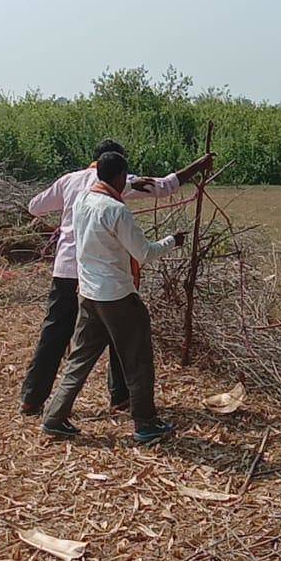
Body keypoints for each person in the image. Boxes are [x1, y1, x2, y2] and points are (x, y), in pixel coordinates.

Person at [19, 140, 213, 415]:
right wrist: (200, 166)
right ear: (117, 167)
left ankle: (32, 398)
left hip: (66, 270)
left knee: (55, 333)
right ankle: (121, 397)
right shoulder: (124, 182)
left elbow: (34, 207)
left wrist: (64, 226)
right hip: (102, 274)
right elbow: (165, 186)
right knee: (121, 332)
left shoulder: (69, 181)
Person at [40, 151, 186, 442]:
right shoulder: (116, 210)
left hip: (89, 294)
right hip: (117, 296)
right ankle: (145, 423)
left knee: (80, 358)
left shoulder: (82, 200)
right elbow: (143, 253)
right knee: (137, 359)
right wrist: (173, 241)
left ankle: (54, 417)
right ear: (120, 176)